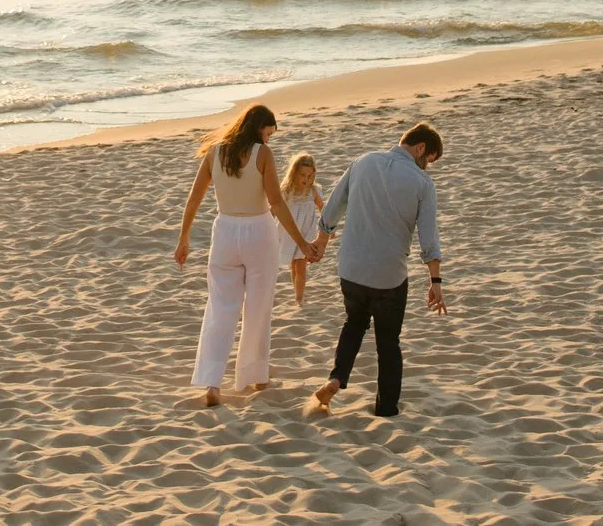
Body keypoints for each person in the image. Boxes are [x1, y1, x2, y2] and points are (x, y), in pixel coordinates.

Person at [174, 103, 324, 406]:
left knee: (220, 308)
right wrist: (302, 241)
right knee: (258, 307)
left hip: (225, 232)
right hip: (258, 232)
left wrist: (183, 238)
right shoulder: (262, 154)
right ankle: (255, 376)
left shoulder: (215, 152)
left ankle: (213, 383)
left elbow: (194, 198)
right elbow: (277, 202)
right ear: (258, 128)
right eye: (268, 133)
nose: (268, 139)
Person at [308, 121, 446, 419]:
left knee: (354, 323)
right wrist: (435, 280)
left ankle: (336, 378)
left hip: (351, 269)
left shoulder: (363, 161)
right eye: (429, 160)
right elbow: (429, 236)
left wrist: (321, 241)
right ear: (421, 148)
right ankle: (386, 409)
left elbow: (333, 206)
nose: (427, 167)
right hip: (388, 277)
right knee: (388, 342)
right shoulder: (422, 184)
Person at [276, 152, 324, 308]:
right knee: (293, 265)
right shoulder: (286, 191)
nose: (306, 179)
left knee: (301, 265)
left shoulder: (313, 191)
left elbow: (323, 208)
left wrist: (327, 230)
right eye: (302, 175)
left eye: (310, 176)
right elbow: (275, 209)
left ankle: (299, 298)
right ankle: (297, 293)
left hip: (307, 233)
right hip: (290, 233)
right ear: (294, 173)